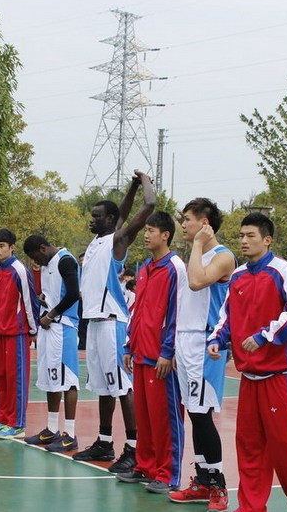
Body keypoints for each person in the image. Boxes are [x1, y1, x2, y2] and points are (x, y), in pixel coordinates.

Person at [207, 212, 287, 512]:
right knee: (249, 447)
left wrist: (265, 336)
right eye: (241, 235)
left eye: (250, 235)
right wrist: (216, 339)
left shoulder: (282, 270)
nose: (243, 240)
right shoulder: (239, 276)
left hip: (281, 375)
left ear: (267, 240)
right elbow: (225, 318)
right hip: (250, 378)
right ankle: (251, 507)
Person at [73, 170, 155, 472]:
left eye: (96, 216)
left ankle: (133, 448)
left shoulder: (117, 241)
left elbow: (149, 206)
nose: (91, 220)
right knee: (104, 388)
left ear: (109, 221)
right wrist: (131, 185)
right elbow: (121, 212)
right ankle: (104, 442)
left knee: (122, 387)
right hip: (94, 323)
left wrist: (144, 181)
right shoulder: (98, 242)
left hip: (112, 322)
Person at [167, 198, 236, 508]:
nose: (183, 225)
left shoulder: (223, 257)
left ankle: (219, 486)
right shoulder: (194, 255)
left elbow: (197, 282)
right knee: (194, 413)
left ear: (205, 224)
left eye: (188, 220)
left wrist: (198, 244)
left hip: (205, 344)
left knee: (203, 414)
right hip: (185, 341)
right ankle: (203, 481)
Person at [116, 211, 185, 494]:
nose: (146, 235)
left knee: (165, 417)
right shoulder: (144, 267)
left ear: (166, 235)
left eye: (151, 230)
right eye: (145, 230)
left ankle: (168, 473)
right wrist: (130, 345)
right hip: (142, 352)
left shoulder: (175, 268)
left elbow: (177, 312)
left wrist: (167, 352)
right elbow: (139, 310)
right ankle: (145, 465)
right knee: (144, 416)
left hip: (161, 357)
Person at [23, 235, 82, 453]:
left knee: (68, 380)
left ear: (43, 248)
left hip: (64, 326)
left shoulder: (65, 260)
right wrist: (43, 302)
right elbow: (55, 294)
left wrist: (52, 314)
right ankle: (51, 428)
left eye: (36, 256)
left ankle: (70, 433)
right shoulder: (47, 265)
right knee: (50, 378)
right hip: (48, 325)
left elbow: (74, 294)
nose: (36, 261)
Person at [0, 228, 39, 439]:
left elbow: (29, 301)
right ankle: (1, 418)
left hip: (17, 332)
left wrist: (33, 329)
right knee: (1, 377)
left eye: (1, 246)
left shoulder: (19, 270)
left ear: (11, 247)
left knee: (16, 378)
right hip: (0, 332)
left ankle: (17, 423)